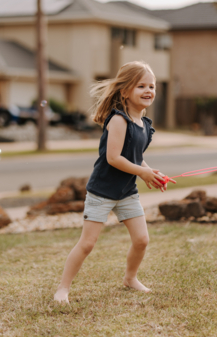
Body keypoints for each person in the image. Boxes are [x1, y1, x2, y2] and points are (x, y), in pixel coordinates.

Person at [54, 61, 175, 304]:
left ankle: (130, 278)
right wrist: (142, 173)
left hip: (126, 192)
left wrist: (151, 173)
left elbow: (136, 158)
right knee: (87, 244)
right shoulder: (119, 120)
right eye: (141, 85)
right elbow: (113, 158)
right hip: (102, 191)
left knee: (142, 240)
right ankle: (62, 289)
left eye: (151, 86)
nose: (148, 90)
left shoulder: (145, 126)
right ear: (124, 91)